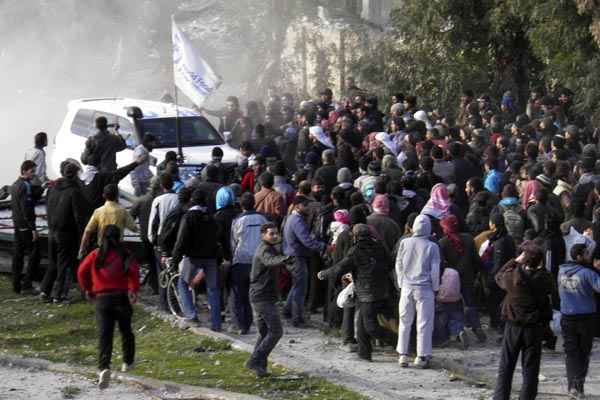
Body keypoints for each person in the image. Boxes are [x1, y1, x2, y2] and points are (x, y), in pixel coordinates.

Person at [318, 223, 397, 361]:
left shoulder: (356, 250)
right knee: (361, 325)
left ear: (355, 236)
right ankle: (364, 353)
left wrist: (324, 274)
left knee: (371, 326)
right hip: (380, 289)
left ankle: (400, 343)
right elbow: (390, 264)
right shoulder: (379, 246)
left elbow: (340, 267)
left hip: (367, 293)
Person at [77, 225, 140, 389]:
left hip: (102, 299)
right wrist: (133, 290)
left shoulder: (95, 254)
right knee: (126, 331)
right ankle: (128, 361)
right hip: (121, 297)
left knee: (105, 335)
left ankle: (104, 367)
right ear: (119, 237)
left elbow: (81, 272)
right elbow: (134, 272)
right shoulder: (126, 254)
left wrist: (88, 289)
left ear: (102, 237)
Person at [493, 242, 553, 400]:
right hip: (534, 327)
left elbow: (498, 275)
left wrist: (515, 261)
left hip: (513, 327)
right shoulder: (545, 278)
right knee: (531, 370)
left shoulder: (512, 277)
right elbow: (549, 287)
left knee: (506, 367)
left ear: (524, 259)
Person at [246, 223, 294, 377]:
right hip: (262, 297)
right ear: (263, 235)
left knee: (264, 332)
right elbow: (269, 261)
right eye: (271, 234)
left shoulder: (271, 248)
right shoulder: (264, 250)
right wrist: (285, 259)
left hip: (261, 295)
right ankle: (254, 360)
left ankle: (260, 368)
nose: (274, 236)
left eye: (276, 233)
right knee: (276, 331)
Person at [171, 189, 222, 331]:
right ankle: (216, 324)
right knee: (213, 289)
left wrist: (175, 259)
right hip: (211, 257)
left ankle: (191, 314)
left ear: (192, 201)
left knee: (182, 283)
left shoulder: (189, 217)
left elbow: (181, 241)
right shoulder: (211, 217)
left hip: (193, 258)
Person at [40, 161, 89, 303]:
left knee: (53, 263)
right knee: (63, 265)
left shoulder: (52, 189)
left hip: (51, 231)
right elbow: (78, 216)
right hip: (66, 234)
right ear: (75, 175)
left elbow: (48, 208)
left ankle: (45, 290)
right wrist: (82, 236)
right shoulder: (74, 192)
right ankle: (58, 295)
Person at [396, 214, 441, 369]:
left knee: (404, 321)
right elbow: (435, 270)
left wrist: (401, 282)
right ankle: (421, 356)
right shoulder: (432, 246)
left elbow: (399, 264)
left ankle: (403, 354)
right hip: (425, 289)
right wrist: (436, 288)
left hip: (407, 287)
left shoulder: (404, 242)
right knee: (424, 323)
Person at [558, 243, 600, 398]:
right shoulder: (588, 273)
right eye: (587, 253)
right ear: (579, 256)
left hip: (567, 317)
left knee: (571, 353)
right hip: (585, 319)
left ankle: (573, 387)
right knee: (583, 353)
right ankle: (578, 386)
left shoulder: (561, 271)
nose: (590, 256)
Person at [283, 195, 327, 326]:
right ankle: (297, 318)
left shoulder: (294, 218)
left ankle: (287, 311)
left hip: (293, 255)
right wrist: (323, 246)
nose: (307, 208)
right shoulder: (297, 220)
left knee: (296, 285)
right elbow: (307, 241)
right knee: (300, 288)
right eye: (305, 205)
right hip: (296, 256)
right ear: (297, 206)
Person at [230, 193, 269, 334]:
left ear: (241, 205)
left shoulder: (237, 221)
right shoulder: (263, 219)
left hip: (241, 261)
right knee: (260, 295)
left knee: (241, 296)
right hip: (259, 261)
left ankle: (243, 325)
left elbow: (233, 242)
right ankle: (263, 324)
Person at [79, 184, 138, 260]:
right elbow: (134, 228)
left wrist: (82, 249)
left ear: (103, 195)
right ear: (117, 196)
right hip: (118, 250)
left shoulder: (98, 211)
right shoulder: (123, 211)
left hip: (101, 249)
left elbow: (87, 231)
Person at [147, 174, 180, 311]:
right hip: (176, 238)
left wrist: (152, 240)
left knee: (162, 272)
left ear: (161, 185)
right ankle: (176, 302)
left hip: (161, 240)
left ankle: (164, 304)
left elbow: (153, 222)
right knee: (175, 270)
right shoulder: (178, 199)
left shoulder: (158, 200)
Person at [10, 160, 42, 294]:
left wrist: (41, 189)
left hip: (17, 224)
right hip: (26, 226)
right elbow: (27, 209)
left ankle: (16, 284)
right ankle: (27, 285)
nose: (33, 174)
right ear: (24, 170)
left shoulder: (15, 184)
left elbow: (27, 200)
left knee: (18, 254)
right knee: (35, 254)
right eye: (32, 171)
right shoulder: (25, 186)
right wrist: (33, 229)